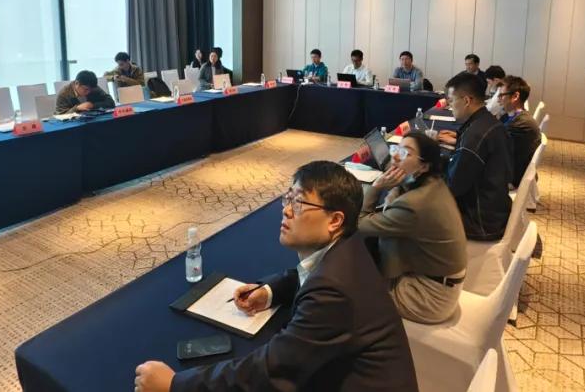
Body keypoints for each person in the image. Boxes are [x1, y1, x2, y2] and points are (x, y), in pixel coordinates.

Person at [134, 161, 417, 392]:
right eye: (288, 198)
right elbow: (307, 274)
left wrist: (176, 385)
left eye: (300, 203)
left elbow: (273, 370)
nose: (286, 210)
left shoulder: (334, 290)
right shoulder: (347, 248)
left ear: (335, 220)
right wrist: (269, 291)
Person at [359, 132, 467, 324]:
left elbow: (359, 224)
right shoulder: (433, 183)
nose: (395, 156)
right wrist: (396, 182)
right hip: (439, 280)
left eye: (405, 153)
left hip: (429, 297)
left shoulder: (414, 205)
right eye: (396, 149)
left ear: (424, 166)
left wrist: (376, 187)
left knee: (351, 286)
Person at [436, 72, 513, 241]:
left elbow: (452, 188)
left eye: (451, 100)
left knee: (414, 212)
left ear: (466, 101)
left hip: (479, 221)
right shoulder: (488, 122)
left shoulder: (474, 136)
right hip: (495, 209)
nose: (449, 105)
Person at [498, 75, 541, 186]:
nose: (498, 99)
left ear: (515, 96)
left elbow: (494, 149)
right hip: (509, 169)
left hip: (512, 178)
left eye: (501, 95)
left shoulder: (522, 125)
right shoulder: (514, 117)